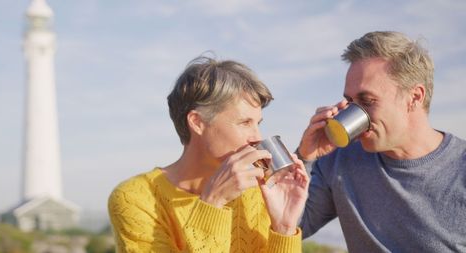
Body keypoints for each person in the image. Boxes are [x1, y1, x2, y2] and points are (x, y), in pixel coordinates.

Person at [108, 56, 309, 252]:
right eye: (245, 123)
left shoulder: (257, 193)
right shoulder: (135, 198)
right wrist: (212, 204)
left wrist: (283, 229)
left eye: (258, 123)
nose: (257, 136)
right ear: (197, 122)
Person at [296, 31, 466, 252]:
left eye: (367, 101)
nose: (354, 113)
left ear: (414, 97)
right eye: (349, 101)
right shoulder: (339, 158)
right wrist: (303, 157)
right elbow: (289, 223)